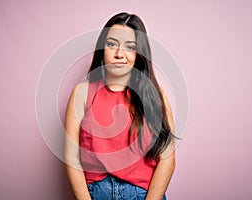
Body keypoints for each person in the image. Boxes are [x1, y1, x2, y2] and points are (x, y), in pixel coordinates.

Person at [64, 12, 176, 200]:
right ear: (102, 48)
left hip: (144, 195)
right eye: (111, 44)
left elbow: (168, 160)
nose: (119, 54)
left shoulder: (155, 96)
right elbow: (72, 159)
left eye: (130, 47)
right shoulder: (82, 93)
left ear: (139, 54)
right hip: (96, 194)